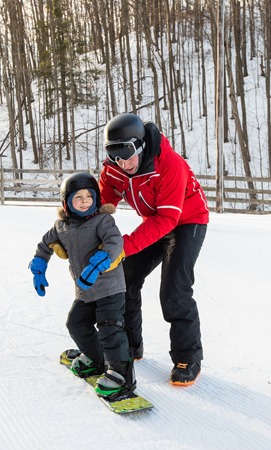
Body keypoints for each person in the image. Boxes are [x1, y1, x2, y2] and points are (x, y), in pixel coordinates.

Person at [99, 113, 209, 386]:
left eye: (129, 156)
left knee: (174, 288)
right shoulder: (115, 168)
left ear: (141, 146)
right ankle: (130, 347)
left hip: (187, 221)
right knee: (124, 279)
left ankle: (188, 358)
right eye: (117, 158)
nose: (125, 164)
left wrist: (123, 246)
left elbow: (167, 219)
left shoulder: (170, 165)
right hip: (155, 221)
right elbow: (102, 199)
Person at [29, 172, 136, 400]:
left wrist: (99, 262)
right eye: (78, 197)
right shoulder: (61, 227)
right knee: (76, 324)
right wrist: (39, 268)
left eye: (90, 196)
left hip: (110, 288)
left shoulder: (103, 221)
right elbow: (44, 246)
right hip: (85, 290)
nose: (85, 200)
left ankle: (121, 376)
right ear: (67, 203)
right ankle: (95, 358)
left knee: (109, 329)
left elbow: (115, 242)